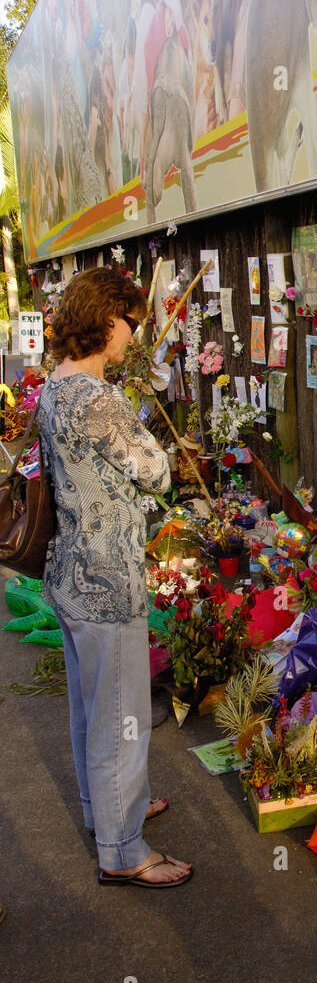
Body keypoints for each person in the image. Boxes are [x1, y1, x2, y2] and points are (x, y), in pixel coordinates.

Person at [38, 268, 193, 888]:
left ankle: (103, 813)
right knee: (122, 717)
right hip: (109, 580)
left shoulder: (54, 388)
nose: (133, 335)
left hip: (71, 573)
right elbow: (156, 470)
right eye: (129, 322)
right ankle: (124, 849)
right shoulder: (98, 399)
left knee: (88, 709)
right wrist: (151, 444)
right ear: (106, 321)